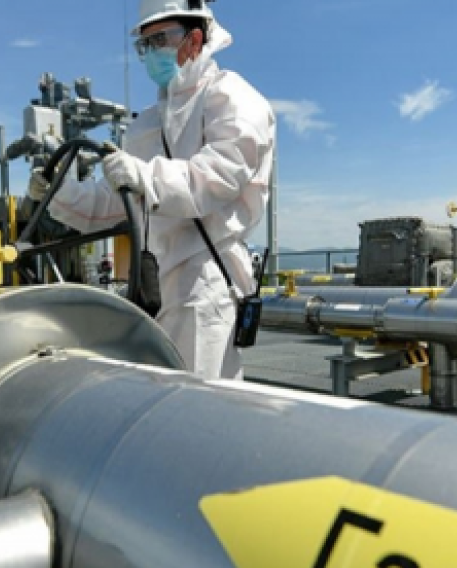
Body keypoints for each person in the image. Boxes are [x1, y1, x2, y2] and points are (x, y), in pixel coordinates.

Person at [28, 0, 275, 381]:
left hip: (204, 281)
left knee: (197, 402)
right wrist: (58, 192)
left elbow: (219, 176)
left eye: (160, 39)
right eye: (145, 44)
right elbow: (117, 202)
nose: (151, 52)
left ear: (195, 39)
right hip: (153, 284)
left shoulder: (231, 97)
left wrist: (144, 175)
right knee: (158, 397)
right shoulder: (147, 122)